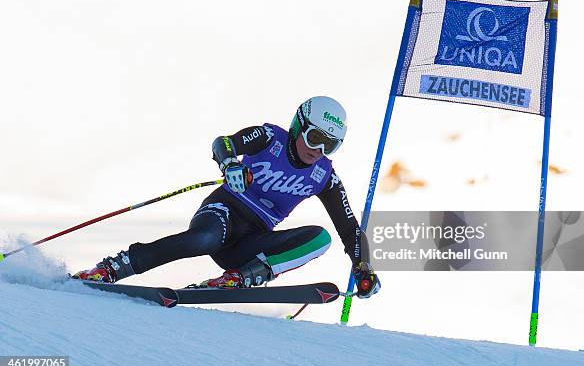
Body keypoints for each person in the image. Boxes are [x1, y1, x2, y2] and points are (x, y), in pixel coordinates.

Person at [73, 96, 381, 298]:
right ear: (298, 125)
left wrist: (362, 265)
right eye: (315, 138)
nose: (319, 151)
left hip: (250, 242)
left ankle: (242, 277)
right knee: (203, 240)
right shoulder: (269, 138)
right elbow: (224, 142)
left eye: (331, 145)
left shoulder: (324, 176)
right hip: (224, 210)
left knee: (321, 239)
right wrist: (229, 163)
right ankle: (116, 267)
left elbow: (349, 228)